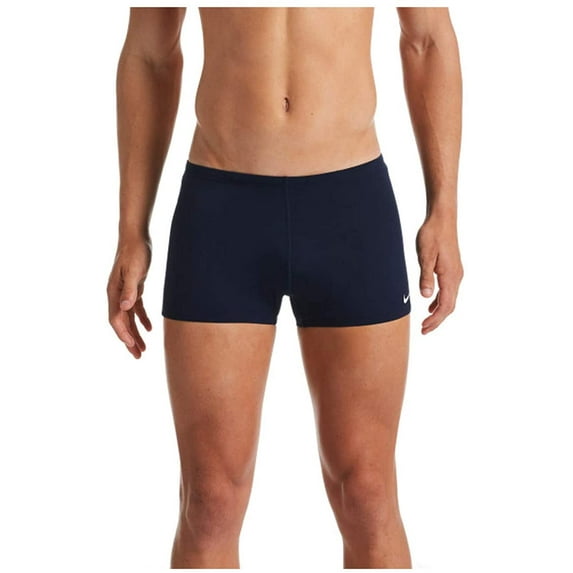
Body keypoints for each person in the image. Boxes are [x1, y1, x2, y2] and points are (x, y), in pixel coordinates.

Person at [106, 7, 463, 569]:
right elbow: (150, 52)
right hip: (222, 207)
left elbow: (427, 40)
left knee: (367, 493)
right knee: (210, 502)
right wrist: (132, 228)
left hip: (349, 205)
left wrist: (444, 209)